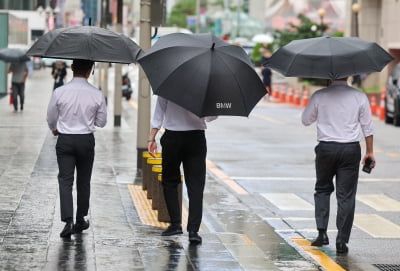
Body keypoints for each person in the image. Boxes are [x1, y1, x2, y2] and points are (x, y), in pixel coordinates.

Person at [301, 77, 375, 254]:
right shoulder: (359, 96)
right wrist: (370, 152)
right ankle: (342, 241)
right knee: (346, 196)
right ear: (348, 75)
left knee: (323, 189)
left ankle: (322, 233)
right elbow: (368, 126)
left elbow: (305, 120)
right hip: (350, 150)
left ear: (328, 76)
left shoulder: (320, 95)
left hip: (326, 148)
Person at [47, 59, 107, 238]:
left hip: (64, 140)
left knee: (65, 180)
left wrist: (55, 128)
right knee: (84, 181)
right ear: (90, 71)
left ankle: (68, 221)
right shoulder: (96, 94)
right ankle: (81, 219)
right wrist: (90, 120)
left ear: (72, 68)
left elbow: (51, 117)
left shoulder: (60, 91)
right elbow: (102, 122)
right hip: (86, 141)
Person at [147, 96, 217, 245]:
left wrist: (151, 138)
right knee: (196, 185)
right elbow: (211, 117)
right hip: (196, 138)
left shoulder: (169, 84)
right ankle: (193, 231)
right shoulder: (202, 88)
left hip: (173, 138)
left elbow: (158, 113)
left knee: (170, 181)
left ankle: (175, 224)